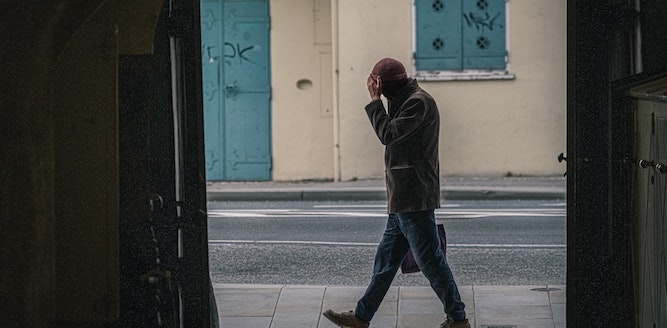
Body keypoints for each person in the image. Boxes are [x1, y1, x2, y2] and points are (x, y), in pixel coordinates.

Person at [322, 58, 470, 328]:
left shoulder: (418, 102)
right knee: (385, 262)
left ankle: (458, 319)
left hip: (413, 197)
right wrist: (384, 96)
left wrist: (375, 100)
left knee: (431, 262)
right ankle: (361, 316)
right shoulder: (406, 98)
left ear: (388, 86)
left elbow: (387, 133)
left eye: (379, 84)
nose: (375, 88)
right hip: (403, 198)